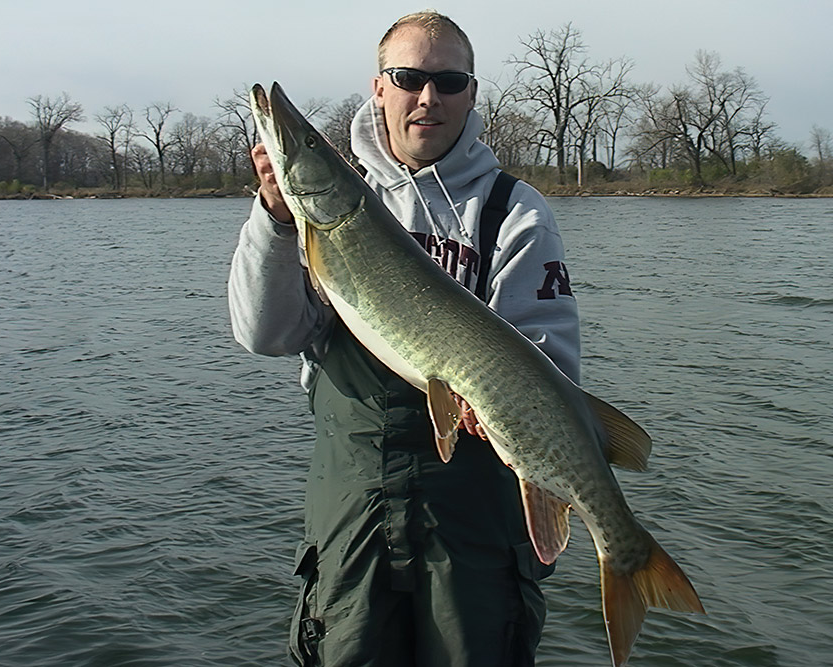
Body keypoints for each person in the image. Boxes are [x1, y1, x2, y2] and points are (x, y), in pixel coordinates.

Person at [228, 10, 579, 666]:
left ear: (471, 94)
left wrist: (495, 406)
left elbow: (548, 364)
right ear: (379, 88)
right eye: (409, 77)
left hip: (473, 522)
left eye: (449, 81)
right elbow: (265, 333)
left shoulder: (515, 212)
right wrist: (275, 219)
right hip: (352, 508)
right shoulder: (322, 211)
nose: (428, 97)